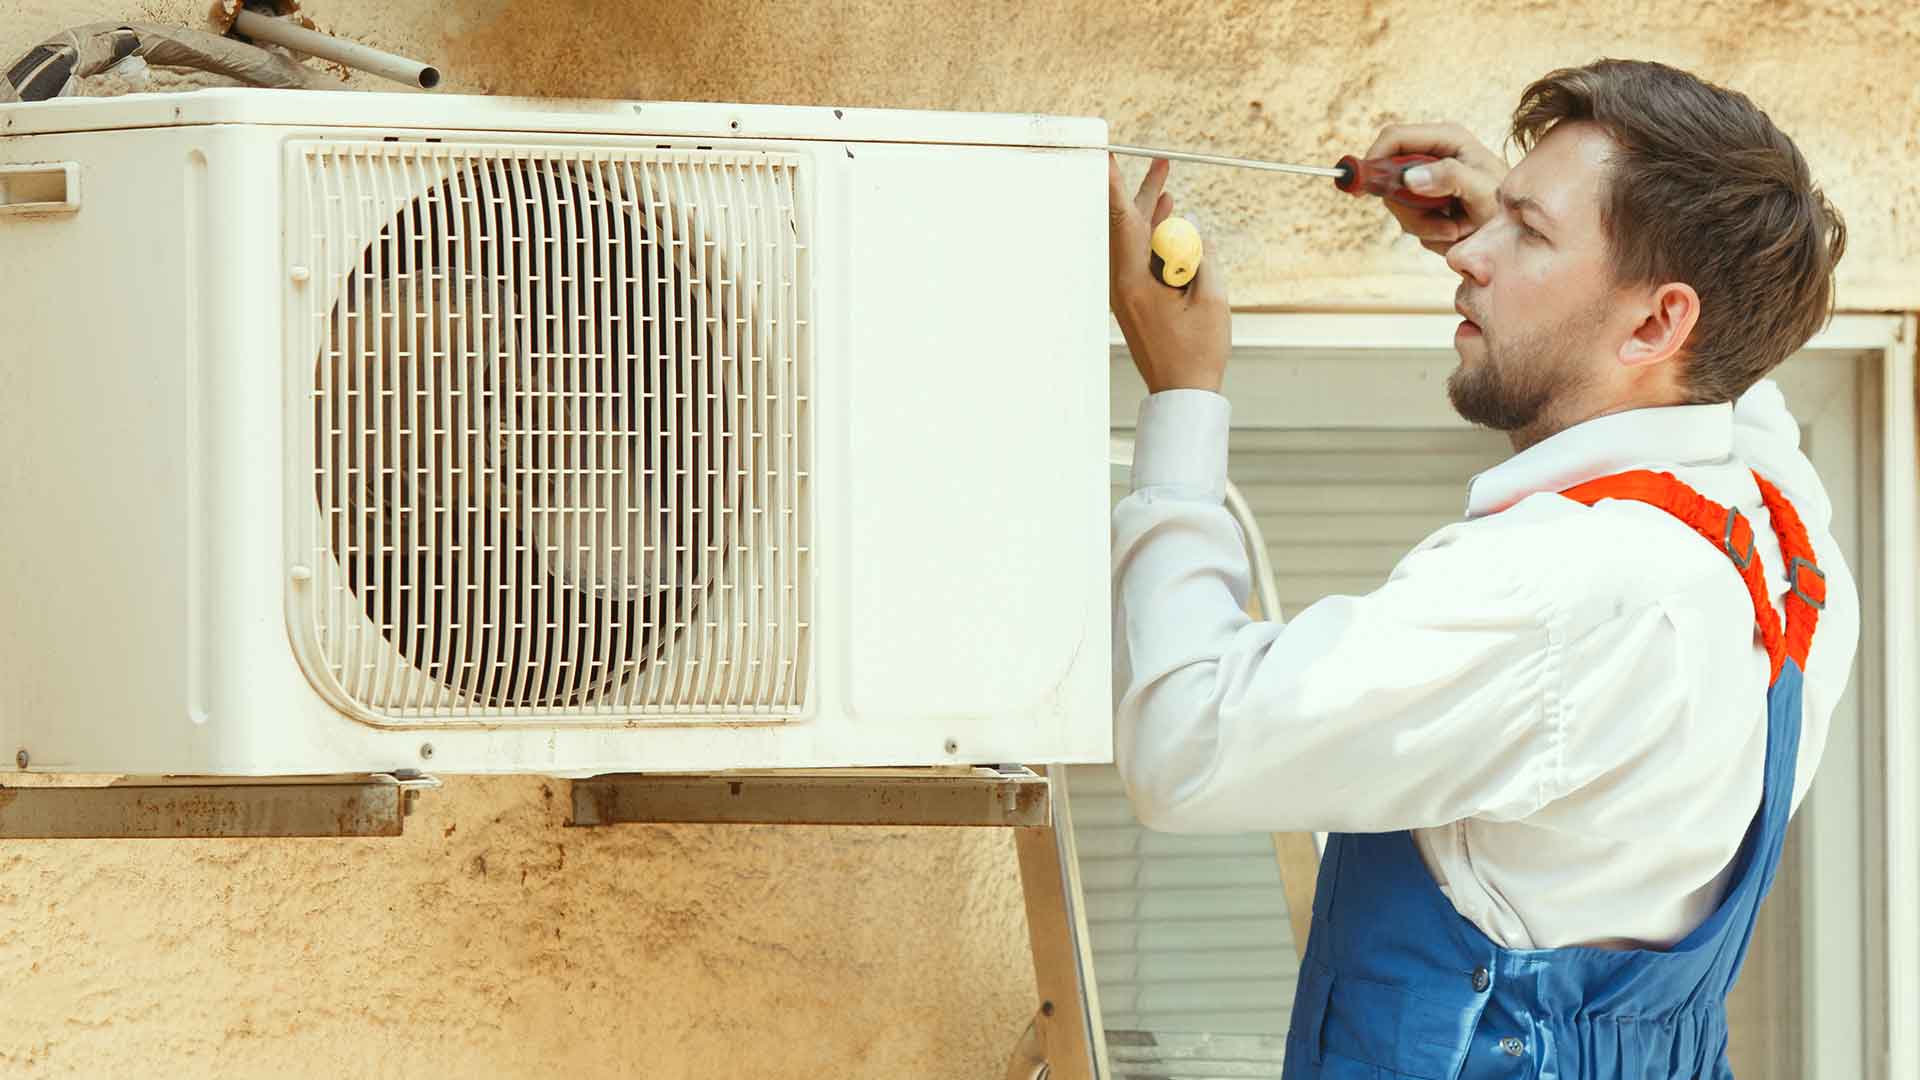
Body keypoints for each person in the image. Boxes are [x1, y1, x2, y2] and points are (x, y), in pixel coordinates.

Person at [1106, 58, 1858, 1078]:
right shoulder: (1783, 528)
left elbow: (1188, 744)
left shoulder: (1556, 586)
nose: (1472, 259)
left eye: (1530, 234)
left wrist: (1182, 395)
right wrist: (1529, 235)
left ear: (1656, 322)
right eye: (1493, 221)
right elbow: (1725, 377)